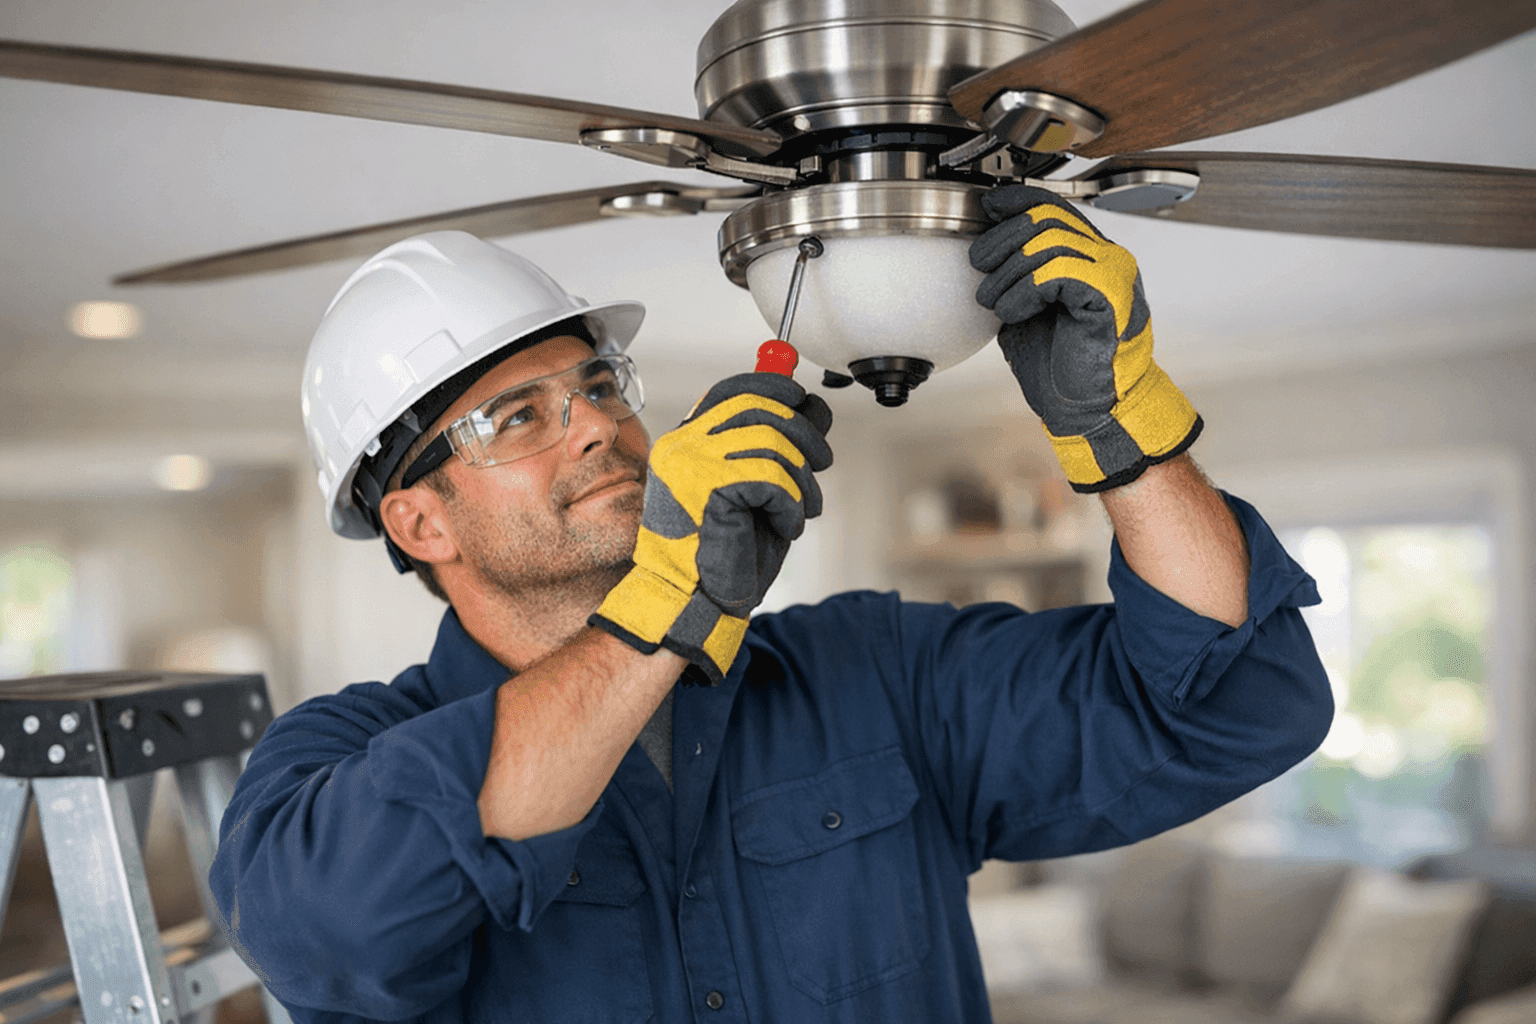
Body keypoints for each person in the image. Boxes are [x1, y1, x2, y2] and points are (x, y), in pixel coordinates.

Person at [210, 187, 1333, 1024]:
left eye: (599, 385)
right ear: (421, 525)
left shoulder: (876, 674)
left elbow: (1238, 702)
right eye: (518, 417)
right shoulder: (336, 759)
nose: (598, 424)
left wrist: (1125, 432)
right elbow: (328, 935)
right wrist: (664, 609)